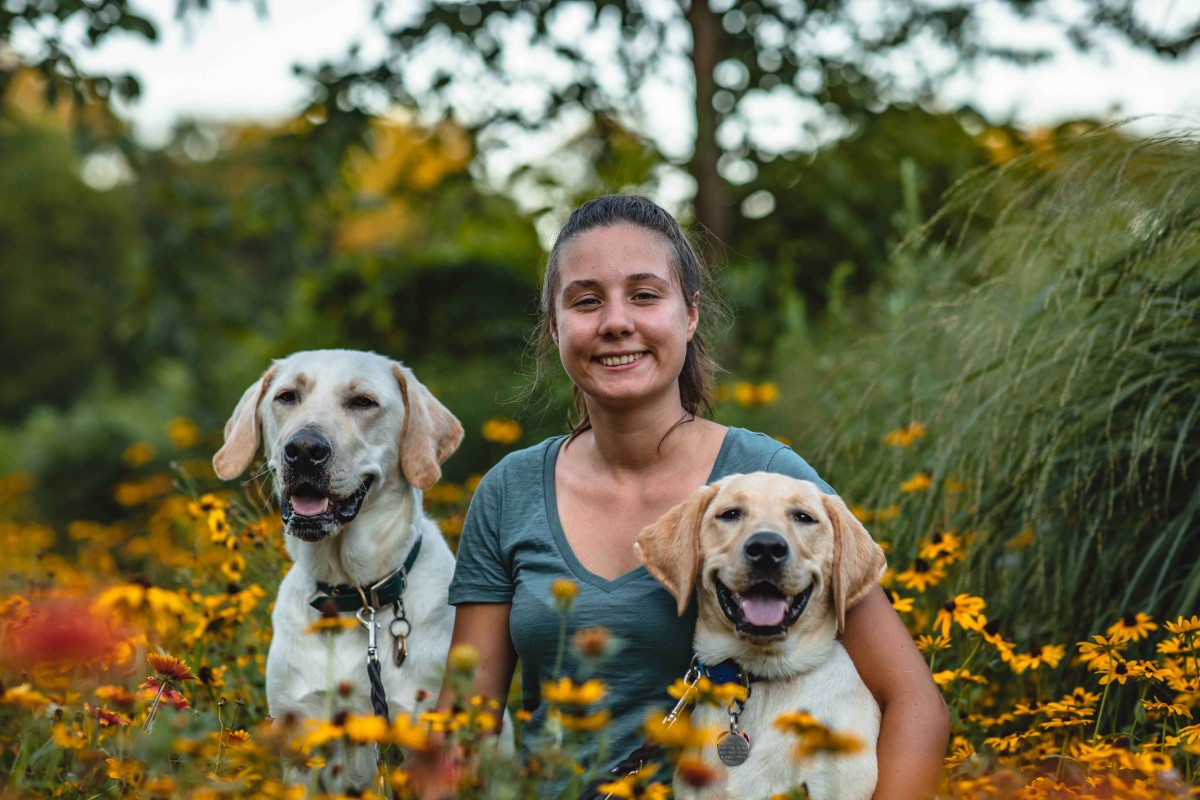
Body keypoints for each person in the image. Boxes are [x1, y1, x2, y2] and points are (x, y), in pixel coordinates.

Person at [421, 194, 949, 799]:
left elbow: (913, 701)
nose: (616, 321)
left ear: (690, 316)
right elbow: (462, 729)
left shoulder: (768, 480)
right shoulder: (508, 491)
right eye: (586, 300)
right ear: (555, 325)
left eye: (645, 295)